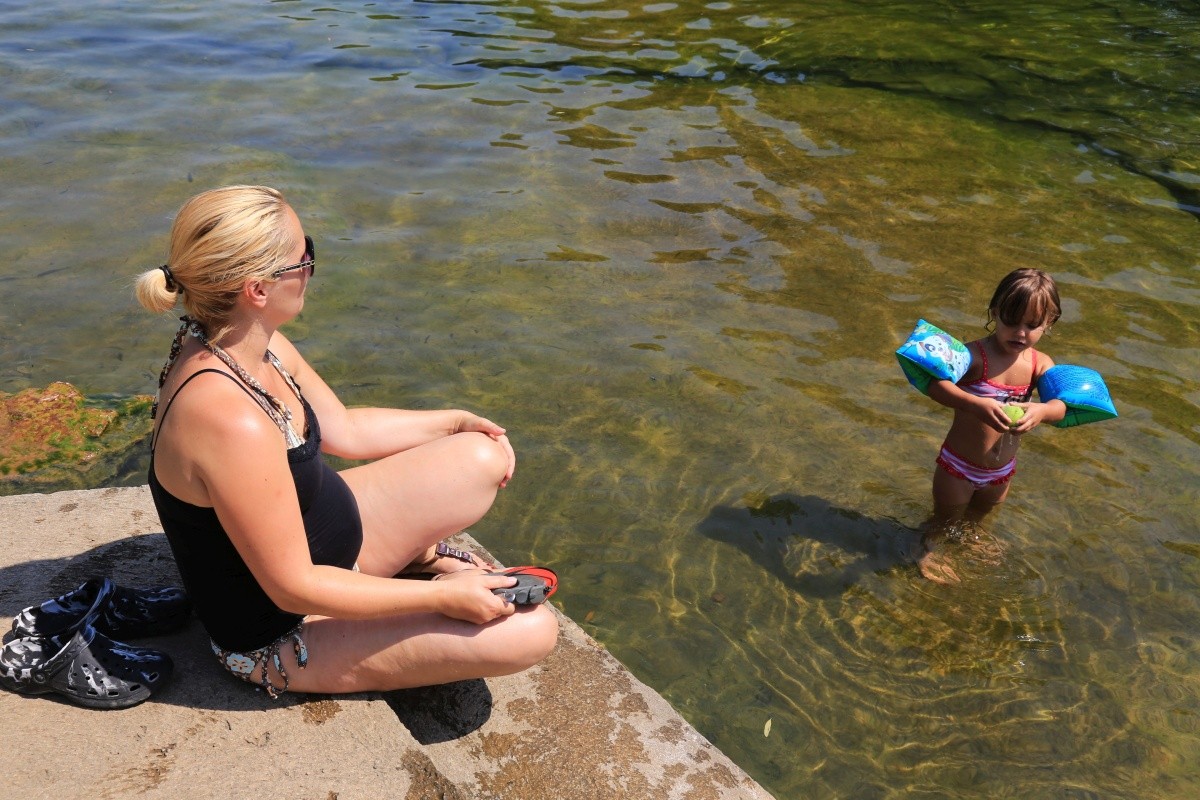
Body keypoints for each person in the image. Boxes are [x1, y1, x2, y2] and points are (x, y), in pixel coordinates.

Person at [134, 185, 558, 698]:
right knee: (532, 632)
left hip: (334, 551)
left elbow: (346, 430)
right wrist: (441, 598)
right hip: (286, 627)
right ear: (257, 289)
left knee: (478, 456)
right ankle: (408, 579)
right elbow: (292, 587)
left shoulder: (246, 343)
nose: (311, 269)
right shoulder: (227, 419)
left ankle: (410, 559)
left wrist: (453, 423)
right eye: (304, 258)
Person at [915, 268, 1067, 584]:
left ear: (1049, 323)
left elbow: (1061, 405)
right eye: (1011, 321)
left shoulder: (1040, 364)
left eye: (1032, 325)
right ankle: (931, 550)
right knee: (945, 518)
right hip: (958, 467)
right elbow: (935, 386)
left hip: (1001, 472)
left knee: (978, 517)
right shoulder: (973, 356)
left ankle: (969, 540)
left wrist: (1042, 411)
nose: (1020, 333)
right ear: (995, 312)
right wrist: (974, 403)